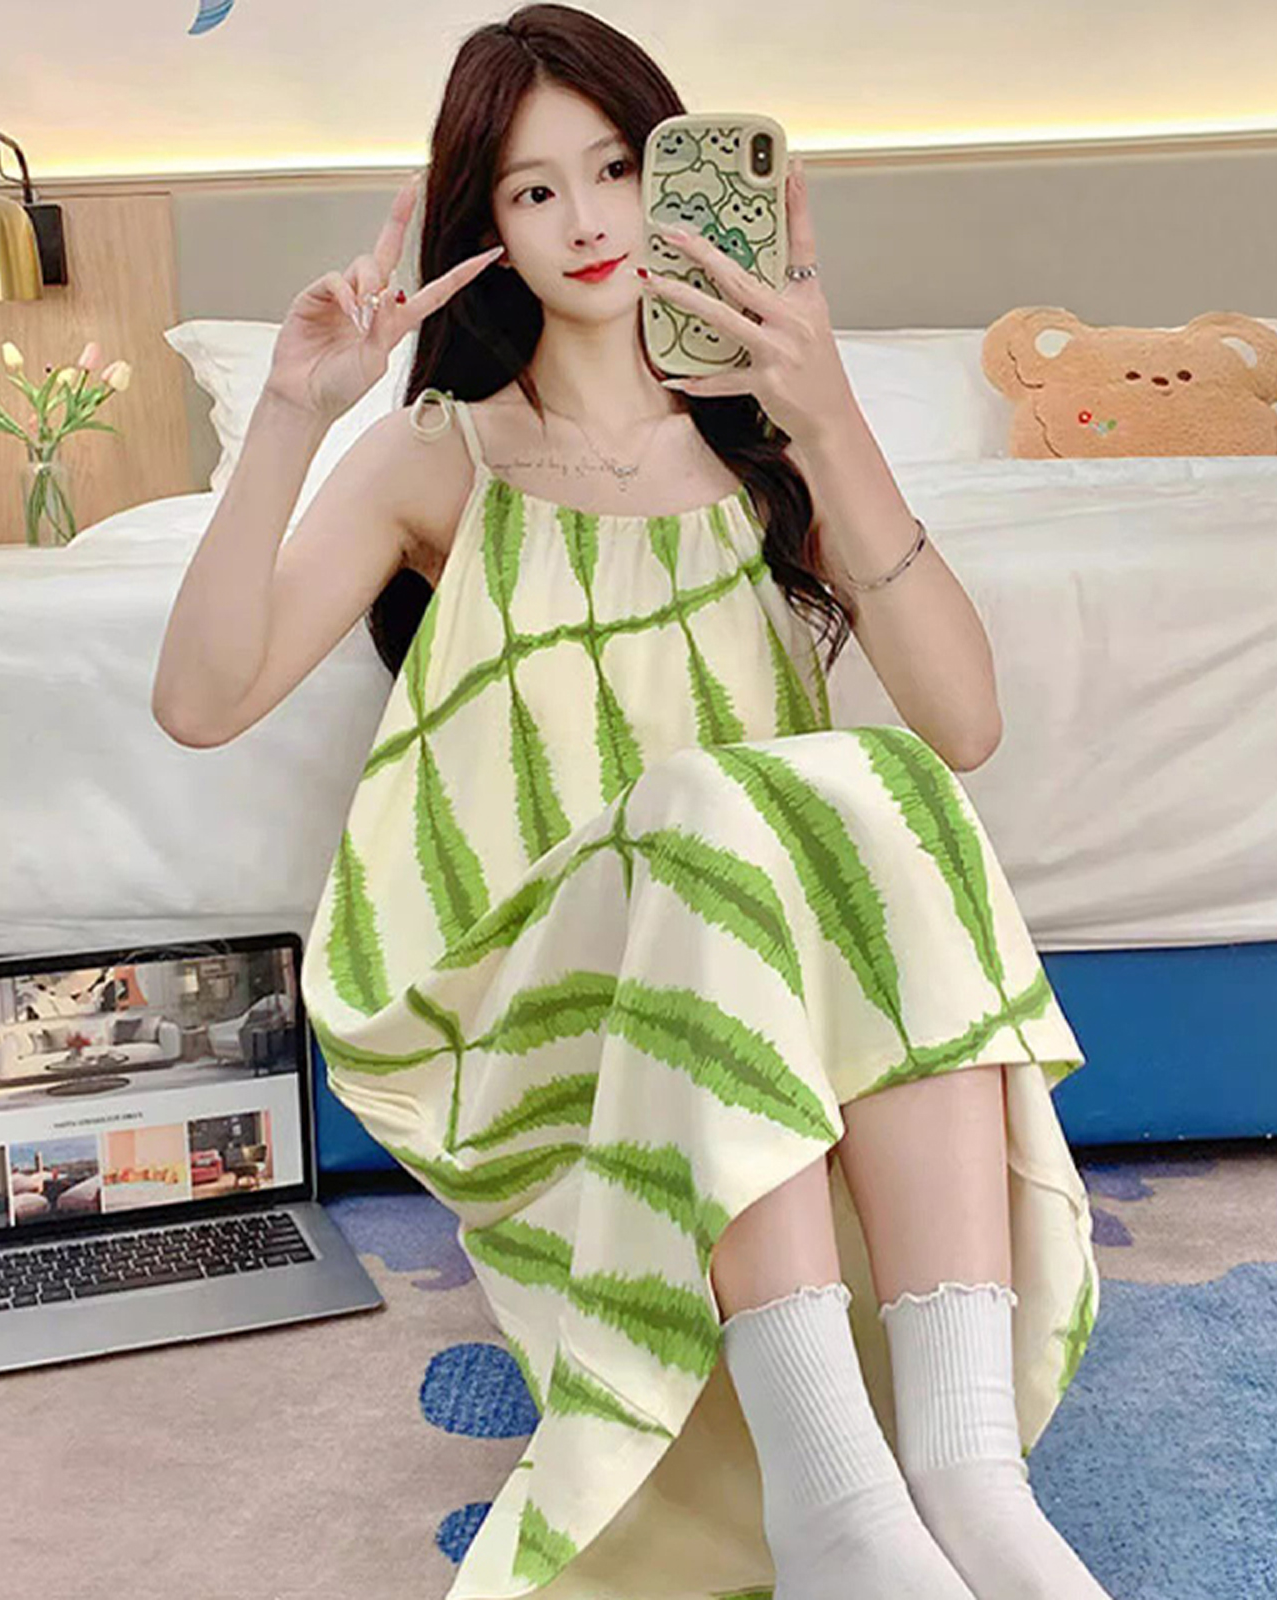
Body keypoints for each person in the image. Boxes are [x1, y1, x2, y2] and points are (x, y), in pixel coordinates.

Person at [151, 8, 1108, 1598]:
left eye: (615, 169)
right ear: (488, 227)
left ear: (678, 179)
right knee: (704, 811)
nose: (588, 219)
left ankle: (965, 1474)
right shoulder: (439, 457)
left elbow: (964, 725)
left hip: (754, 989)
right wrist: (294, 416)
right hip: (527, 994)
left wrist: (829, 413)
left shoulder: (762, 452)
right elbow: (199, 704)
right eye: (535, 191)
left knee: (861, 775)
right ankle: (831, 1502)